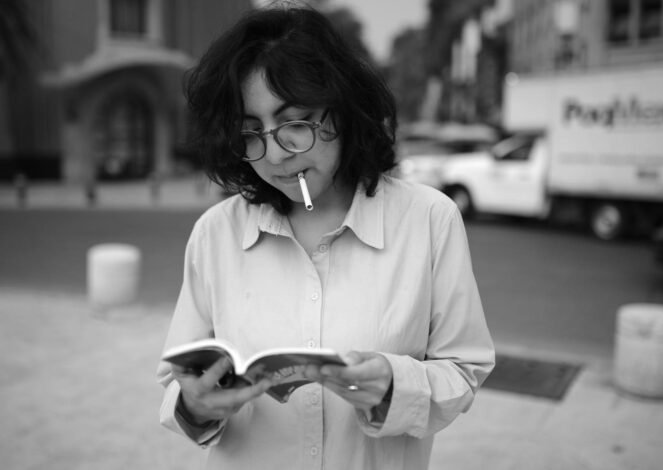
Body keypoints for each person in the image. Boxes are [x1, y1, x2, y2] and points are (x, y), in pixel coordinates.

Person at [156, 4, 494, 469]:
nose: (275, 155)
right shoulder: (216, 233)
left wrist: (396, 385)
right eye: (251, 132)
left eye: (296, 122)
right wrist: (195, 405)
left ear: (344, 109)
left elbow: (464, 370)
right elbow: (176, 380)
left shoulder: (429, 219)